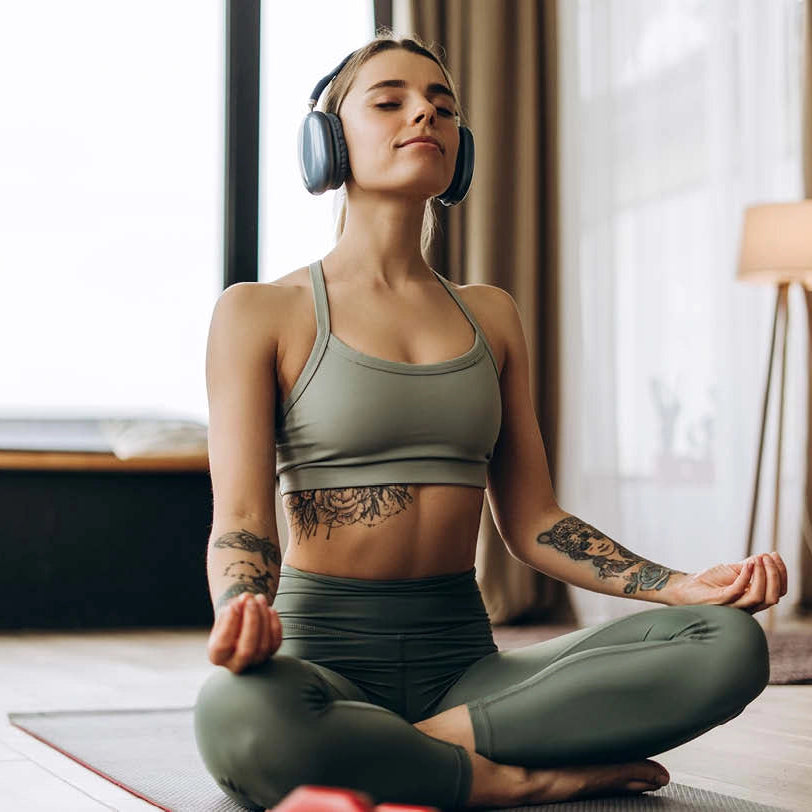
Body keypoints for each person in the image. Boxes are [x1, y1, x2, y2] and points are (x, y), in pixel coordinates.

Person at [193, 32, 784, 812]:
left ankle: (388, 753)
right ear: (328, 142)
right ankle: (516, 777)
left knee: (729, 644)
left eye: (442, 107)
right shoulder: (259, 311)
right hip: (320, 660)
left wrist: (681, 587)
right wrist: (242, 610)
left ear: (461, 149)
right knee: (234, 717)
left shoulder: (492, 315)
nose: (423, 117)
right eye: (390, 101)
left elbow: (534, 523)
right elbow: (241, 521)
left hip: (466, 668)